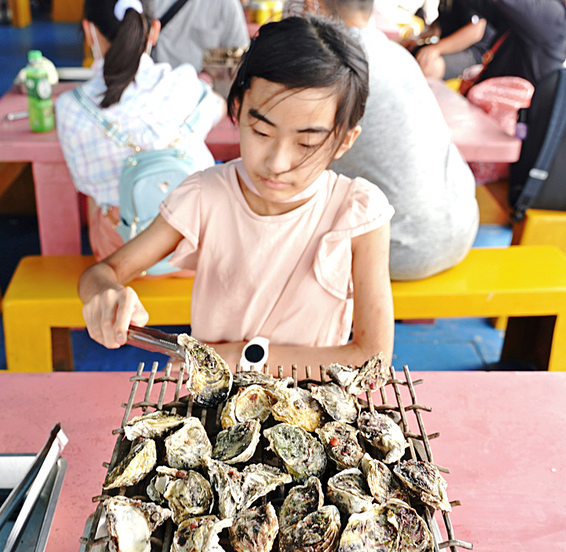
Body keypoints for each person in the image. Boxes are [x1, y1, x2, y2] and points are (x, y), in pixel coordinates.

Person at [79, 15, 395, 373]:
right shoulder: (205, 196)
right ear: (237, 110)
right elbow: (102, 273)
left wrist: (241, 358)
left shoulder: (358, 213)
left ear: (344, 140)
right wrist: (107, 295)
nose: (277, 162)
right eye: (261, 131)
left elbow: (374, 359)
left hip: (320, 412)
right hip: (215, 403)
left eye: (306, 143)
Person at [55, 0, 224, 273]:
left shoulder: (71, 108)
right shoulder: (186, 85)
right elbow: (219, 106)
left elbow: (86, 185)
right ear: (153, 31)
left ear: (89, 32)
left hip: (122, 257)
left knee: (100, 202)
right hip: (195, 247)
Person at [315, 0, 478, 279]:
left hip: (396, 250)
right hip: (463, 229)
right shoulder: (399, 56)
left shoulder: (327, 64)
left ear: (312, 4)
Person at [403, 0, 498, 81]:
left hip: (472, 51)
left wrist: (435, 49)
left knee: (430, 65)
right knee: (405, 52)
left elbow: (476, 31)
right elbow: (439, 26)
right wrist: (417, 39)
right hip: (447, 43)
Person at [149, 0, 250, 72]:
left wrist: (209, 70)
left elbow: (239, 54)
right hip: (152, 82)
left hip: (198, 88)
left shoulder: (226, 3)